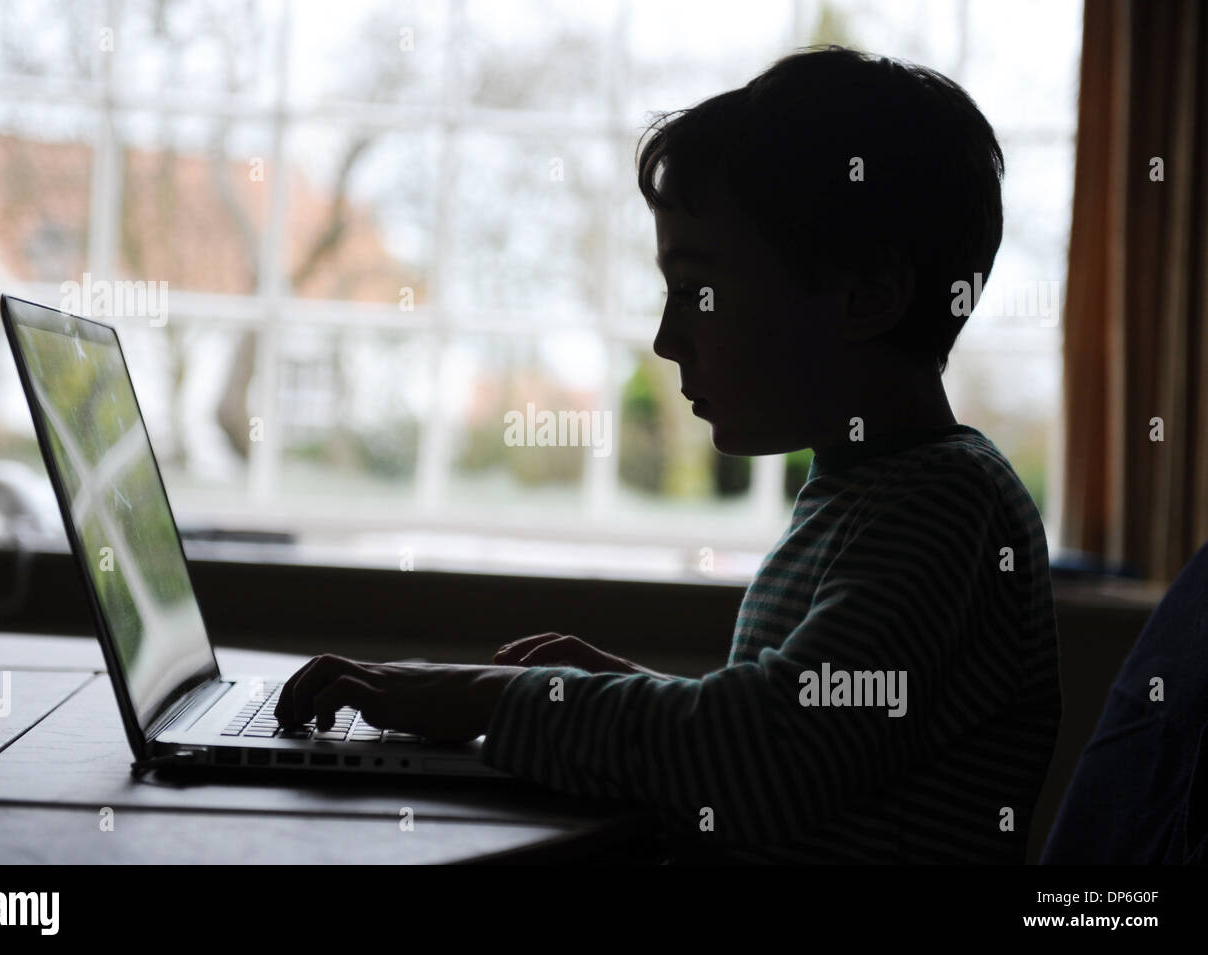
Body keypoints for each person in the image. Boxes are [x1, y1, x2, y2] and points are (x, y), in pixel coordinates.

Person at [275, 45, 1061, 864]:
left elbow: (769, 761)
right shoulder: (876, 490)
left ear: (867, 295)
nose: (665, 337)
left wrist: (494, 695)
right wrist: (616, 690)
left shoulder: (943, 508)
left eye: (698, 291)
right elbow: (788, 726)